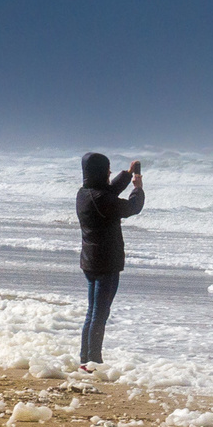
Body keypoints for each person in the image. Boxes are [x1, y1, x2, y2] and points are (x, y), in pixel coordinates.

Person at [76, 152, 144, 369]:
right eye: (107, 169)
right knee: (99, 314)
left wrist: (128, 173)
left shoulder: (84, 193)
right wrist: (138, 188)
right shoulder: (101, 199)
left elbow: (109, 191)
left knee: (92, 312)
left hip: (90, 261)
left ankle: (86, 359)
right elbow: (132, 208)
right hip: (105, 263)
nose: (110, 172)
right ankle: (93, 360)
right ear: (99, 171)